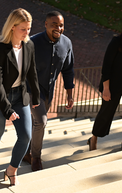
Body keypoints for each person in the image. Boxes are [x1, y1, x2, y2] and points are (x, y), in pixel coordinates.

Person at [0, 8, 40, 186]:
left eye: (29, 29)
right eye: (23, 29)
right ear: (12, 27)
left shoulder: (29, 45)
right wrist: (7, 109)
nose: (27, 32)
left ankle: (12, 170)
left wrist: (35, 96)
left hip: (20, 96)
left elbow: (32, 72)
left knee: (26, 136)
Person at [23, 11, 75, 171]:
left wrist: (69, 94)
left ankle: (26, 152)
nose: (58, 28)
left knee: (35, 123)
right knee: (41, 121)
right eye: (54, 24)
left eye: (61, 25)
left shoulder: (66, 44)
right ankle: (36, 158)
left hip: (49, 91)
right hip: (31, 89)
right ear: (46, 24)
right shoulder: (33, 43)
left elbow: (68, 70)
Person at [87, 13, 122, 151]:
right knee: (106, 112)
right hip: (113, 84)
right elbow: (106, 67)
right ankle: (94, 138)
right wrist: (106, 88)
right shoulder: (116, 42)